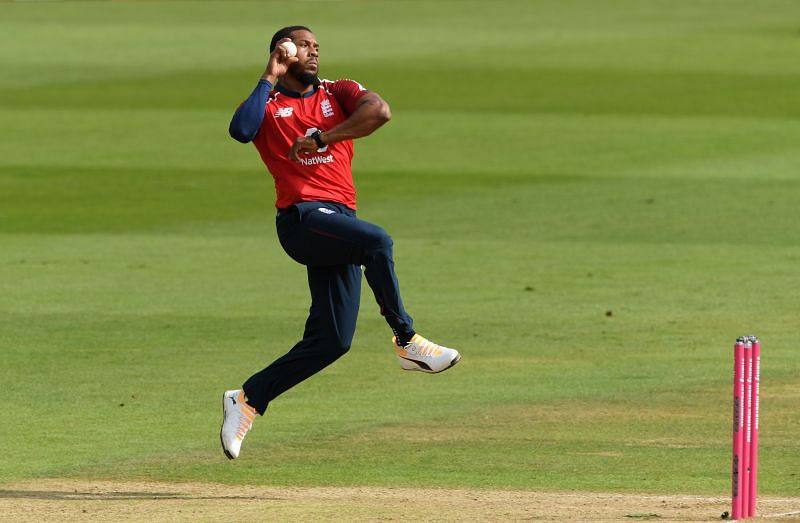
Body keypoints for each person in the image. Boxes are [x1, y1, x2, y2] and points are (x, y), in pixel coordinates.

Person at [219, 26, 460, 460]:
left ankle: (247, 399)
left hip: (337, 221)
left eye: (316, 47)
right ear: (284, 51)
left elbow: (380, 112)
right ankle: (407, 341)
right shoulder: (269, 105)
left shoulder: (338, 92)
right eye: (304, 46)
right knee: (378, 241)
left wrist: (323, 137)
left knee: (332, 340)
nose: (314, 52)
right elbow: (240, 130)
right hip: (303, 220)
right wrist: (269, 74)